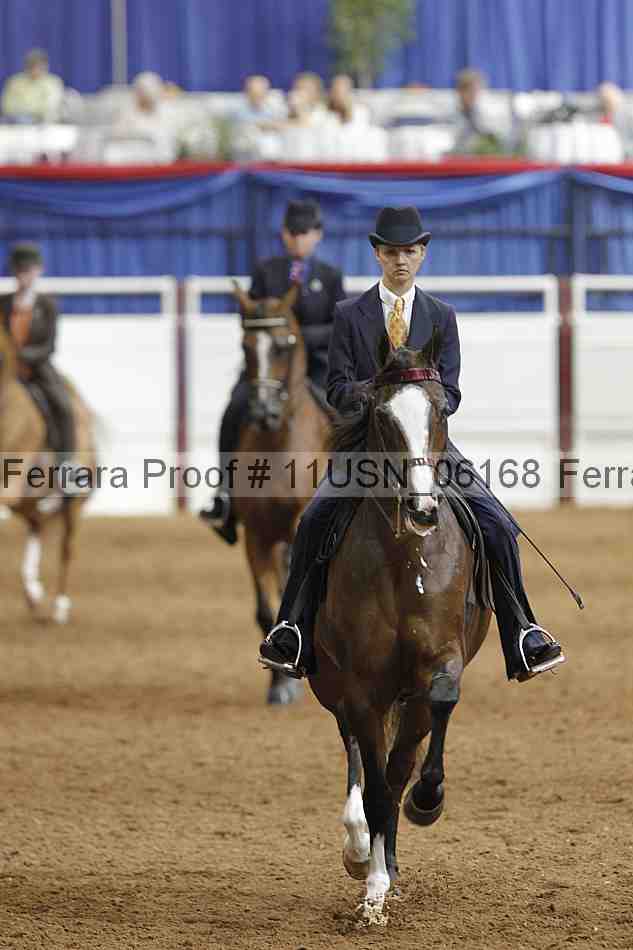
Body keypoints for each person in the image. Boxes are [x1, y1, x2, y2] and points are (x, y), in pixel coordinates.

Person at [259, 206, 565, 684]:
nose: (400, 260)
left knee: (499, 525)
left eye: (409, 251)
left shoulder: (441, 316)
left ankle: (523, 631)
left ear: (421, 254)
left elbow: (453, 393)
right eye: (392, 252)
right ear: (378, 255)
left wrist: (419, 398)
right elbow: (336, 388)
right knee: (313, 522)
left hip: (429, 446)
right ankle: (291, 630)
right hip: (367, 450)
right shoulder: (349, 315)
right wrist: (379, 395)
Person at [200, 199, 346, 543]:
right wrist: (269, 334)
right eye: (292, 232)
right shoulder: (266, 272)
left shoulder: (330, 276)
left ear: (317, 235)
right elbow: (249, 316)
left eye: (305, 233)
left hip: (316, 366)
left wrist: (298, 336)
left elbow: (339, 325)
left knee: (347, 413)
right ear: (283, 235)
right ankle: (225, 493)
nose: (298, 239)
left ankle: (351, 494)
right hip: (268, 367)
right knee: (235, 408)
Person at [0, 244, 85, 494]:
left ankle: (67, 467)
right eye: (20, 270)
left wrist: (21, 356)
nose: (24, 275)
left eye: (29, 270)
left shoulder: (47, 305)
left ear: (39, 271)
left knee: (63, 406)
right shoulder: (3, 303)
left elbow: (49, 345)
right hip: (6, 371)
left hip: (37, 369)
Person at [1, 49, 64, 122]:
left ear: (46, 66)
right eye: (32, 66)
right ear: (26, 66)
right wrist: (26, 114)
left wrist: (31, 112)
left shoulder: (53, 82)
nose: (35, 69)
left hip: (45, 123)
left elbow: (52, 106)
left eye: (39, 66)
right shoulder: (15, 82)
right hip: (17, 122)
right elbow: (7, 106)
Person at [452, 68, 505, 154]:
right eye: (470, 91)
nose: (474, 95)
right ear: (460, 91)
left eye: (477, 91)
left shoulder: (488, 114)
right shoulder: (451, 114)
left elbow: (496, 139)